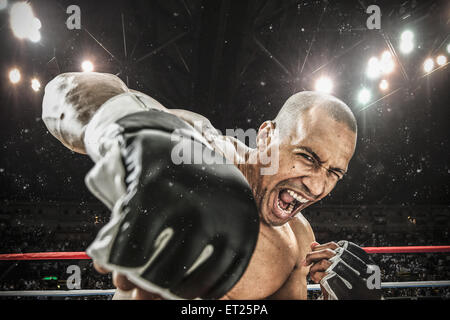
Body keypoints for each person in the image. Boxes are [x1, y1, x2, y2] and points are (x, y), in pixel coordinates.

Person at [42, 72, 381, 300]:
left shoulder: (299, 239)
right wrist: (138, 135)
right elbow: (65, 93)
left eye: (334, 172)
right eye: (307, 156)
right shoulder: (202, 152)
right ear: (266, 137)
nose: (317, 185)